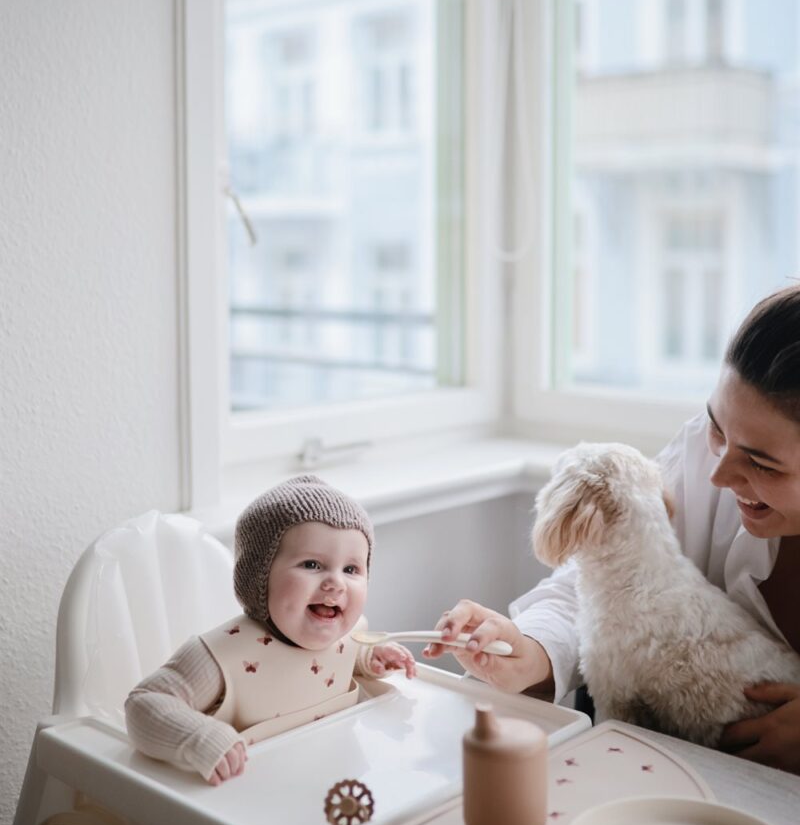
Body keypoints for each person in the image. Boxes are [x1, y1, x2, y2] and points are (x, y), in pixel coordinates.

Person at [424, 284, 800, 775]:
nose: (718, 475)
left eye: (761, 465)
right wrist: (529, 649)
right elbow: (601, 586)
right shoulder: (702, 451)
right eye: (717, 428)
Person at [126, 475, 416, 785]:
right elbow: (144, 703)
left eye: (351, 569)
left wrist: (370, 658)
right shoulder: (224, 656)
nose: (336, 582)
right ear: (260, 578)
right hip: (248, 801)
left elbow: (342, 657)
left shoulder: (350, 634)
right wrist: (199, 737)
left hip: (331, 784)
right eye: (312, 565)